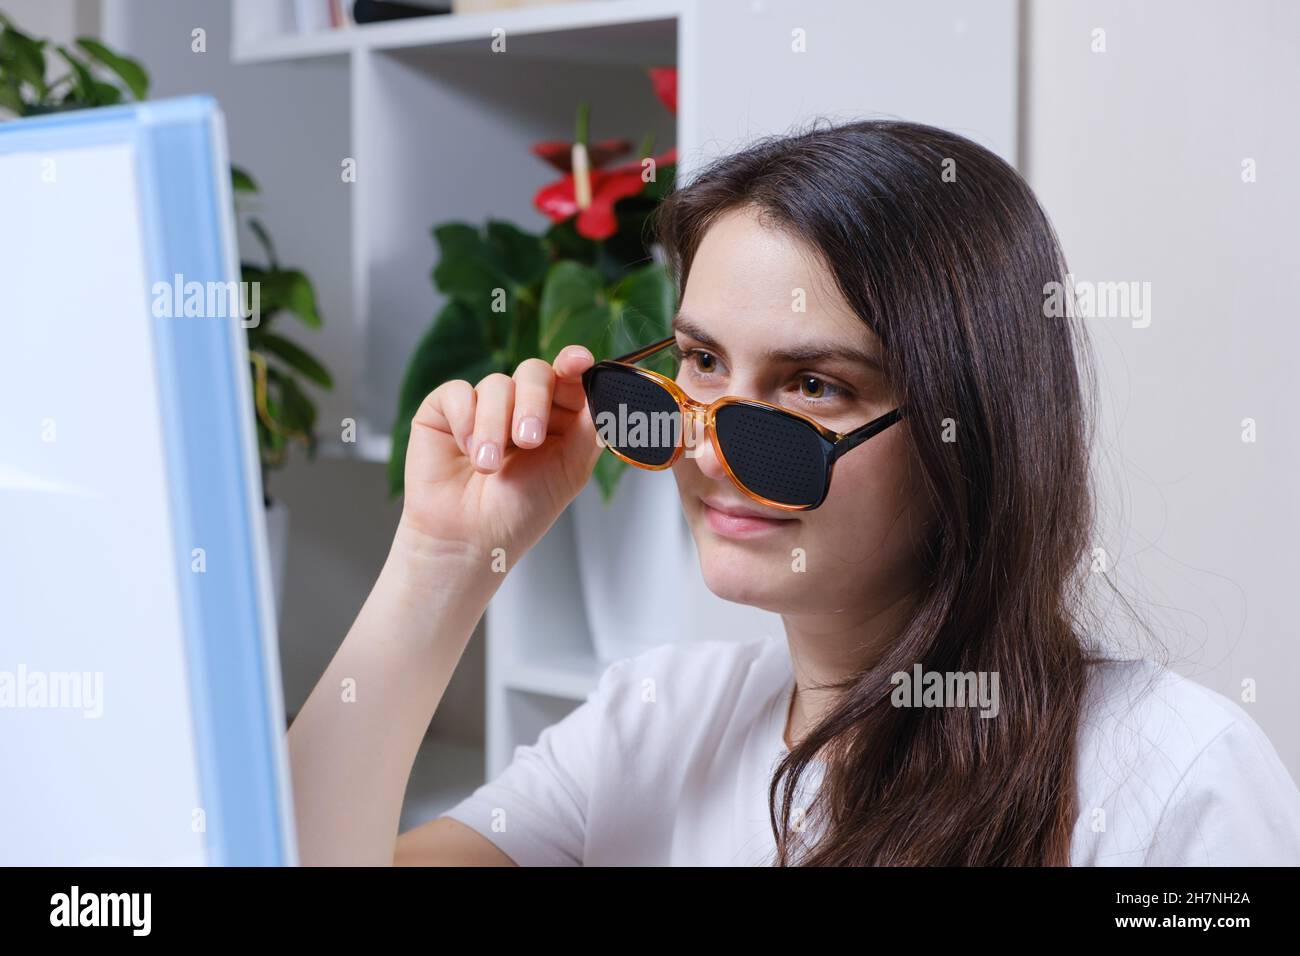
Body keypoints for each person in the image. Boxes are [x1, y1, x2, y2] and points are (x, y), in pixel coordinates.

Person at [287, 119, 1300, 866]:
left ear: (970, 426)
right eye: (699, 362)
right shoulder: (649, 724)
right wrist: (444, 562)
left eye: (812, 385)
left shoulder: (1173, 774)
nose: (715, 453)